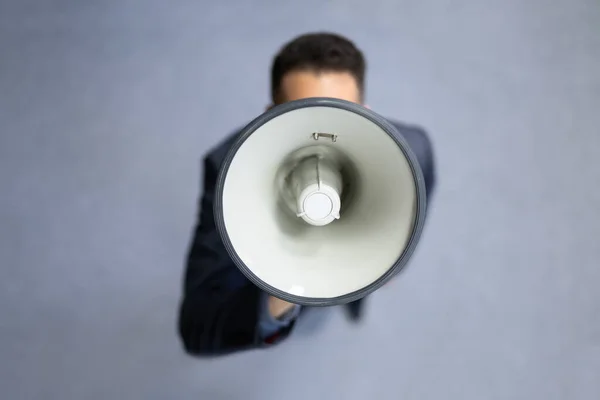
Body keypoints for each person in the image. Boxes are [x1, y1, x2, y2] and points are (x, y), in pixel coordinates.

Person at [178, 32, 436, 357]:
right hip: (286, 286)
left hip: (355, 261)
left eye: (340, 112)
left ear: (367, 111)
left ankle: (352, 301)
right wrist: (287, 287)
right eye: (301, 113)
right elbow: (198, 331)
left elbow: (412, 218)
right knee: (309, 323)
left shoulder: (413, 150)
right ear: (269, 114)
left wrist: (387, 264)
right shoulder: (228, 169)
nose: (323, 129)